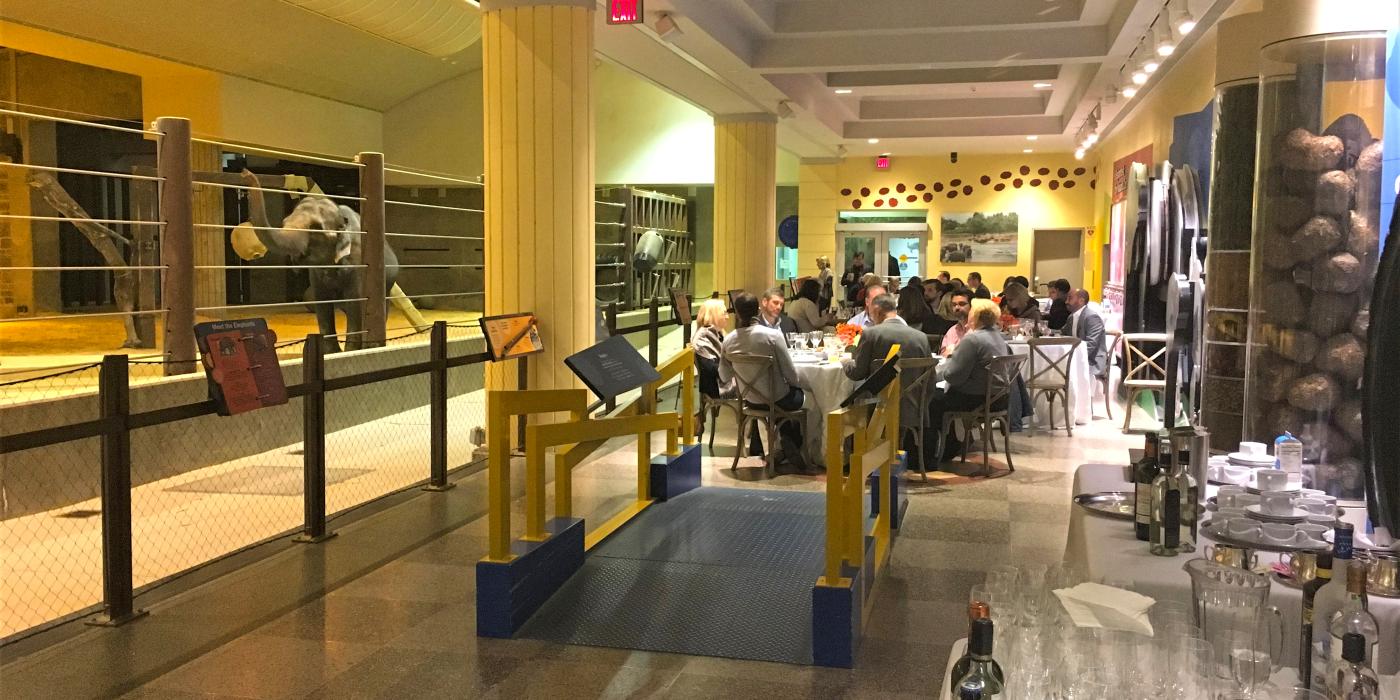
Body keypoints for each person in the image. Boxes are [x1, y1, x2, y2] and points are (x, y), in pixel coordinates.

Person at [718, 292, 810, 472]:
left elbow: (724, 376)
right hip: (779, 399)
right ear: (758, 309)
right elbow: (791, 375)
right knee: (804, 396)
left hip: (751, 401)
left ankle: (782, 446)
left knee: (773, 406)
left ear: (736, 313)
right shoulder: (772, 336)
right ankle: (796, 443)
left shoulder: (729, 340)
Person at [930, 298, 1013, 458]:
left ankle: (942, 451)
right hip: (998, 398)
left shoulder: (973, 339)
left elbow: (953, 376)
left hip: (976, 398)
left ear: (975, 317)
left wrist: (942, 368)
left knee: (931, 400)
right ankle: (957, 443)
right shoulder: (998, 337)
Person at [843, 293, 932, 439]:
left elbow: (857, 373)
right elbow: (930, 381)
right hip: (912, 408)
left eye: (871, 315)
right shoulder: (921, 337)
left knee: (846, 400)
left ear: (877, 311)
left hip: (877, 407)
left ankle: (855, 454)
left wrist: (845, 361)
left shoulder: (871, 334)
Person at [1068, 288, 1108, 378]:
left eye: (1070, 298)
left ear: (1081, 301)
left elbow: (1090, 345)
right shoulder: (1071, 317)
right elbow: (1062, 334)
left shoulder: (1092, 317)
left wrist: (1071, 358)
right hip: (1076, 360)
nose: (1066, 301)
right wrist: (1047, 331)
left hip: (1091, 363)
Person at [939, 289, 973, 355]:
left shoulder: (977, 330)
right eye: (954, 304)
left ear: (972, 306)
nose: (957, 307)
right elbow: (943, 354)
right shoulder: (952, 331)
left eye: (962, 304)